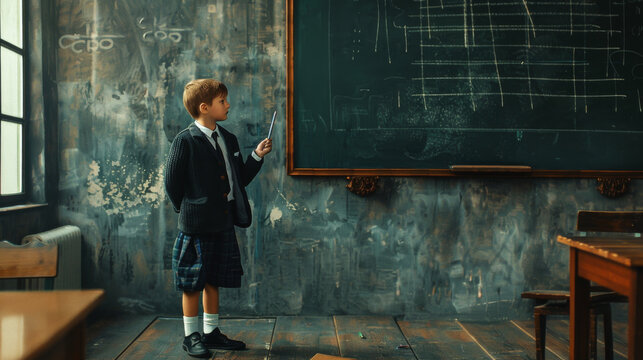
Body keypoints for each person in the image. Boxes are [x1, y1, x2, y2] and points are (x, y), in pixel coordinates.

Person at [164, 79, 272, 357]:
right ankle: (191, 337)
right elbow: (172, 184)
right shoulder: (184, 141)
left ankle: (211, 332)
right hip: (196, 224)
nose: (228, 105)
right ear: (205, 107)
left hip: (223, 222)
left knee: (213, 279)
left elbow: (240, 179)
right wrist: (190, 207)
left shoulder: (229, 138)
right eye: (222, 101)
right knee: (192, 282)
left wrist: (256, 156)